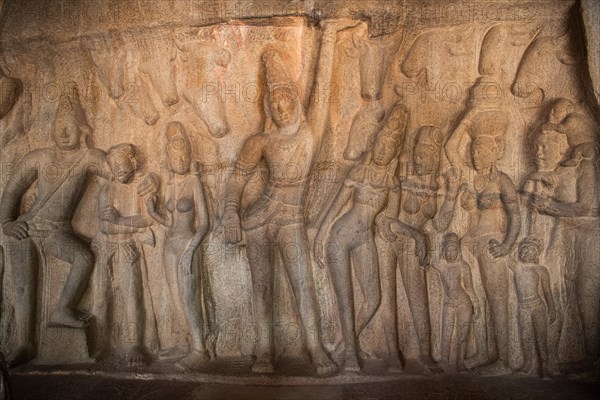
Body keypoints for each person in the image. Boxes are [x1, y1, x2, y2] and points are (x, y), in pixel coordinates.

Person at [0, 93, 156, 366]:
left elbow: (119, 170)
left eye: (70, 127)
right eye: (59, 126)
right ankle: (23, 342)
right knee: (23, 285)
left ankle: (63, 308)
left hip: (57, 231)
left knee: (83, 258)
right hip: (27, 226)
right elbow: (12, 190)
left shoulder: (87, 158)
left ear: (82, 130)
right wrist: (7, 222)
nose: (63, 132)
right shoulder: (38, 157)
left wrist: (150, 177)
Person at [223, 48, 336, 375]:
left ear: (296, 101)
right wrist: (231, 212)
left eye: (287, 99)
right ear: (268, 107)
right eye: (275, 103)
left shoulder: (308, 132)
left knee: (302, 283)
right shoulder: (260, 141)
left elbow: (324, 88)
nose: (282, 107)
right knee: (262, 287)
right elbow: (236, 181)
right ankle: (264, 352)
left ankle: (315, 349)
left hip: (291, 218)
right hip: (258, 217)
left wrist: (328, 34)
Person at [314, 104, 427, 372]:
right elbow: (333, 209)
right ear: (374, 142)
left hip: (365, 238)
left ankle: (343, 345)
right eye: (380, 143)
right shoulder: (358, 173)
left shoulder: (391, 182)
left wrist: (416, 234)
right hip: (340, 237)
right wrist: (320, 237)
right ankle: (351, 355)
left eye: (389, 146)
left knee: (373, 298)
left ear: (395, 151)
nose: (383, 149)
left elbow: (388, 221)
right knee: (346, 299)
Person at [378, 125, 459, 373]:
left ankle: (424, 352)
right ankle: (392, 352)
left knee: (418, 296)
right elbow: (387, 221)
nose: (420, 159)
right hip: (390, 241)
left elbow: (440, 223)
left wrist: (452, 195)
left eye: (426, 155)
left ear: (436, 158)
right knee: (387, 294)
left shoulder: (435, 184)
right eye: (418, 153)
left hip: (413, 243)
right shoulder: (401, 179)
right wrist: (417, 235)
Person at [458, 110, 521, 375]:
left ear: (495, 152)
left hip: (492, 245)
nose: (476, 155)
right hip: (472, 245)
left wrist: (506, 245)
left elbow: (515, 217)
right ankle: (486, 351)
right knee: (479, 301)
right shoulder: (473, 179)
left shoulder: (502, 180)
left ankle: (505, 360)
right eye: (474, 150)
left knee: (497, 300)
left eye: (482, 151)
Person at [146, 121, 211, 370]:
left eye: (183, 155)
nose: (179, 160)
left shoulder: (194, 183)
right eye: (175, 156)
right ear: (168, 158)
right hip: (169, 246)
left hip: (187, 244)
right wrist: (153, 213)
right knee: (174, 297)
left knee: (188, 296)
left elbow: (204, 223)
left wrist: (191, 250)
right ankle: (184, 343)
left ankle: (199, 349)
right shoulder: (170, 185)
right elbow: (168, 222)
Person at [92, 143, 155, 367]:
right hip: (106, 249)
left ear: (133, 162)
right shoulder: (106, 190)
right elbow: (106, 227)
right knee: (101, 297)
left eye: (122, 162)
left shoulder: (140, 187)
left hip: (128, 249)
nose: (119, 168)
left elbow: (147, 219)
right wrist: (131, 224)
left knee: (131, 296)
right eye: (114, 165)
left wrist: (119, 221)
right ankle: (101, 342)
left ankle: (133, 343)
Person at [431, 232, 478, 373]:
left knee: (462, 335)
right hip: (448, 303)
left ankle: (460, 361)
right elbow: (431, 259)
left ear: (458, 252)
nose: (451, 254)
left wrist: (476, 304)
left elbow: (469, 287)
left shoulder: (463, 266)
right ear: (444, 251)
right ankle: (444, 361)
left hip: (464, 302)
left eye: (454, 250)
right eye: (448, 250)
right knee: (446, 333)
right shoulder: (441, 265)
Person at [510, 237, 555, 377]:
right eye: (525, 249)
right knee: (526, 336)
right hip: (523, 307)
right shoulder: (517, 267)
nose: (528, 252)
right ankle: (529, 364)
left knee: (541, 337)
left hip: (537, 306)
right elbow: (505, 255)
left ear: (537, 255)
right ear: (520, 252)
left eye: (532, 250)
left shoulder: (540, 270)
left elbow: (547, 291)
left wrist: (553, 308)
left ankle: (545, 365)